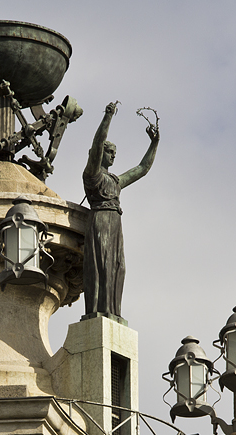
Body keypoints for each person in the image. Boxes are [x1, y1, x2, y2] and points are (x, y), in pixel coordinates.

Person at [82, 102, 159, 318]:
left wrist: (154, 144)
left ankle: (113, 312)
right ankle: (98, 311)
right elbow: (96, 145)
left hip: (115, 223)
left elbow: (142, 169)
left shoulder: (115, 181)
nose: (113, 156)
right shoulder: (93, 175)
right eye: (110, 152)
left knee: (118, 267)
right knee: (102, 267)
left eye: (115, 153)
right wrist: (107, 117)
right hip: (100, 220)